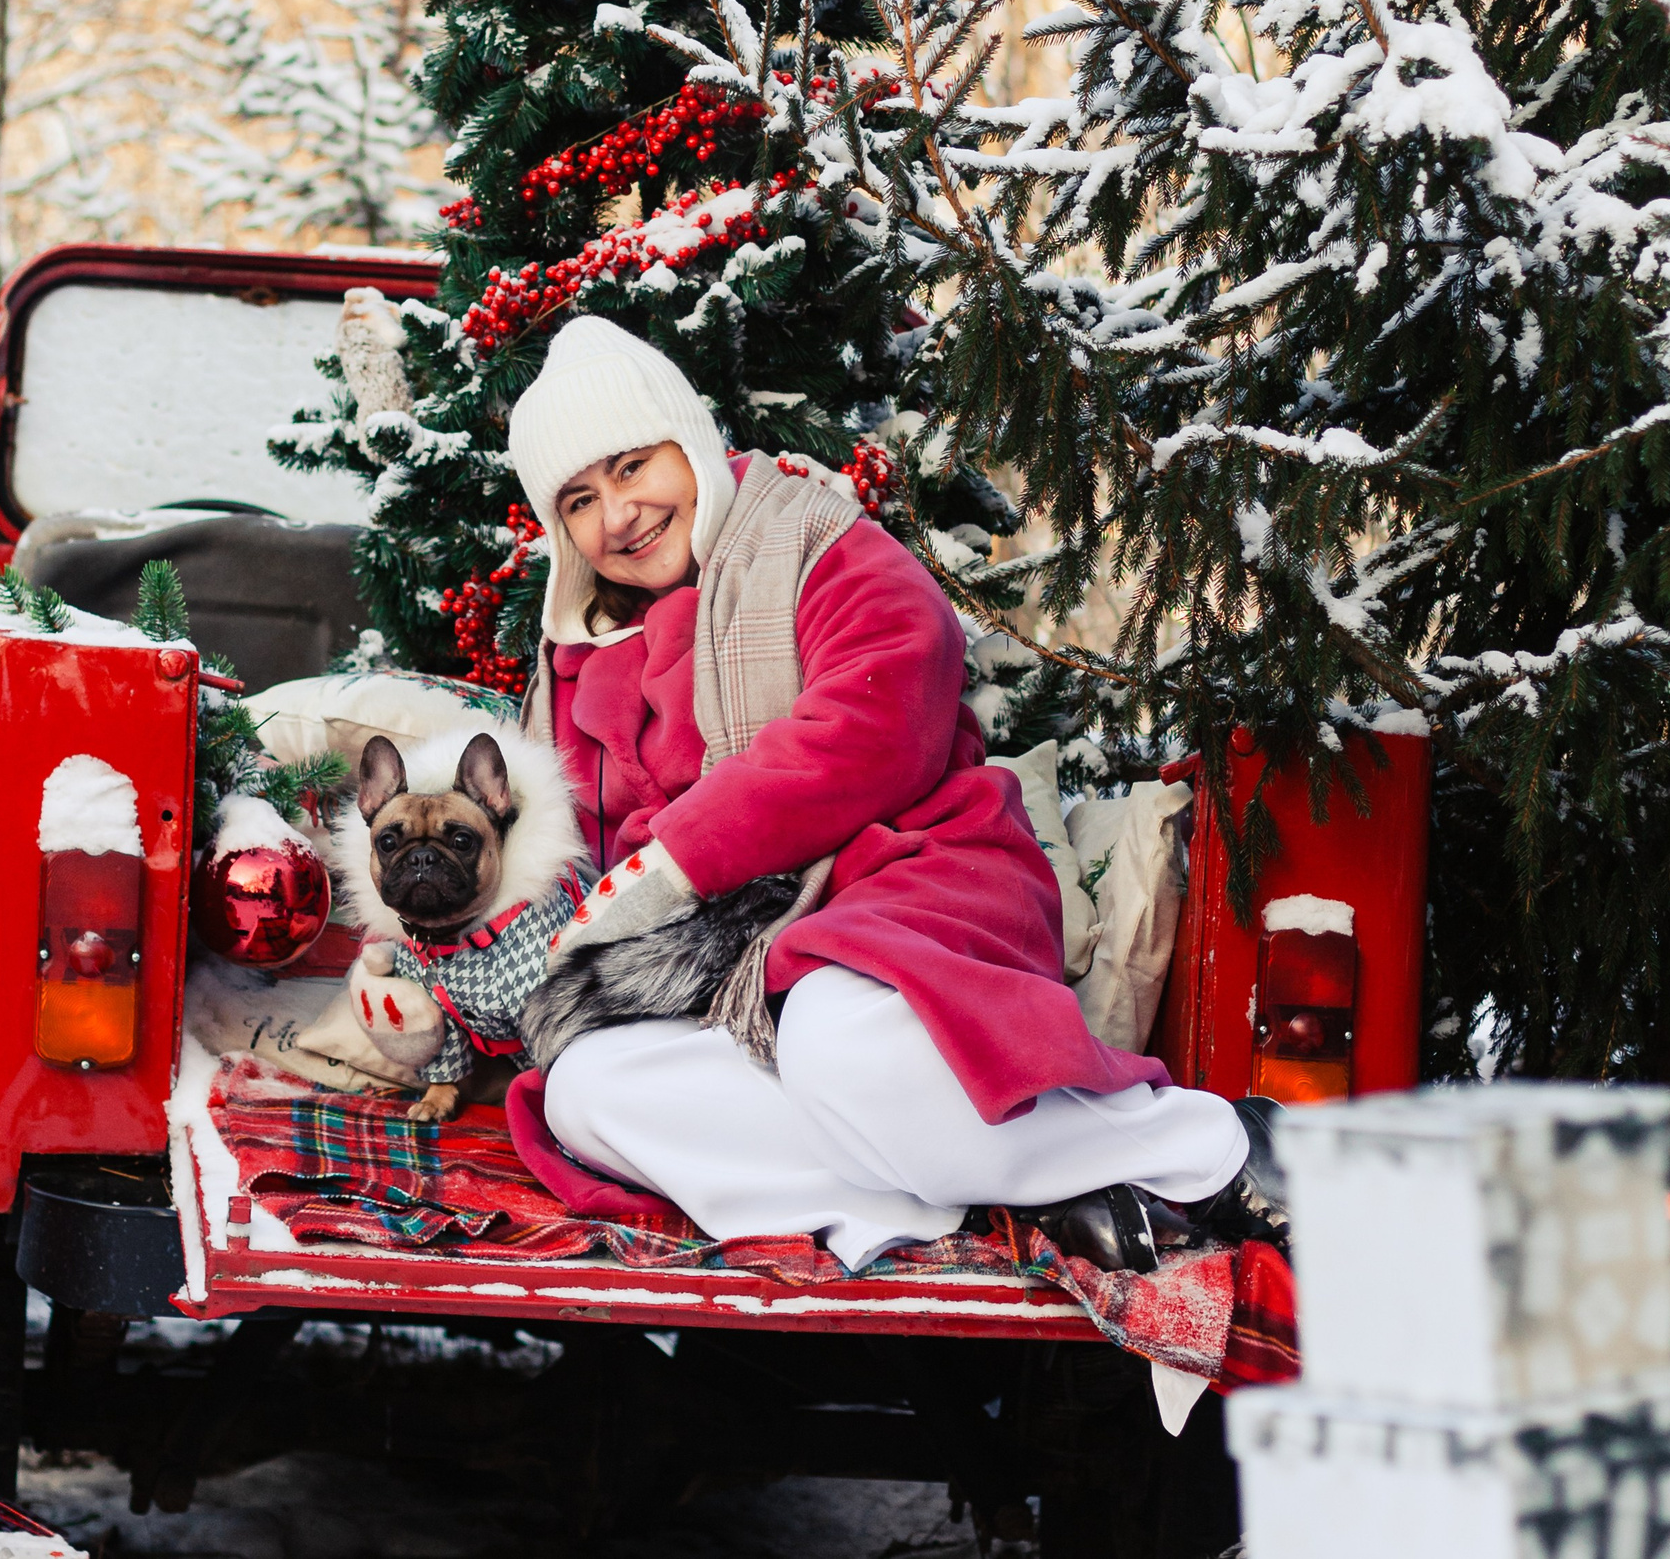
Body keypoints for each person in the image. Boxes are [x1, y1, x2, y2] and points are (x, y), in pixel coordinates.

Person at [500, 316, 1287, 1276]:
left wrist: (682, 858)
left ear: (688, 442)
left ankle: (1208, 1151)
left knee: (836, 1037)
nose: (616, 515)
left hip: (896, 877)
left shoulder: (814, 540)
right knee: (587, 1089)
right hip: (707, 969)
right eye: (579, 499)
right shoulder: (576, 658)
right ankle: (987, 1198)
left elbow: (882, 710)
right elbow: (556, 843)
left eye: (631, 468)